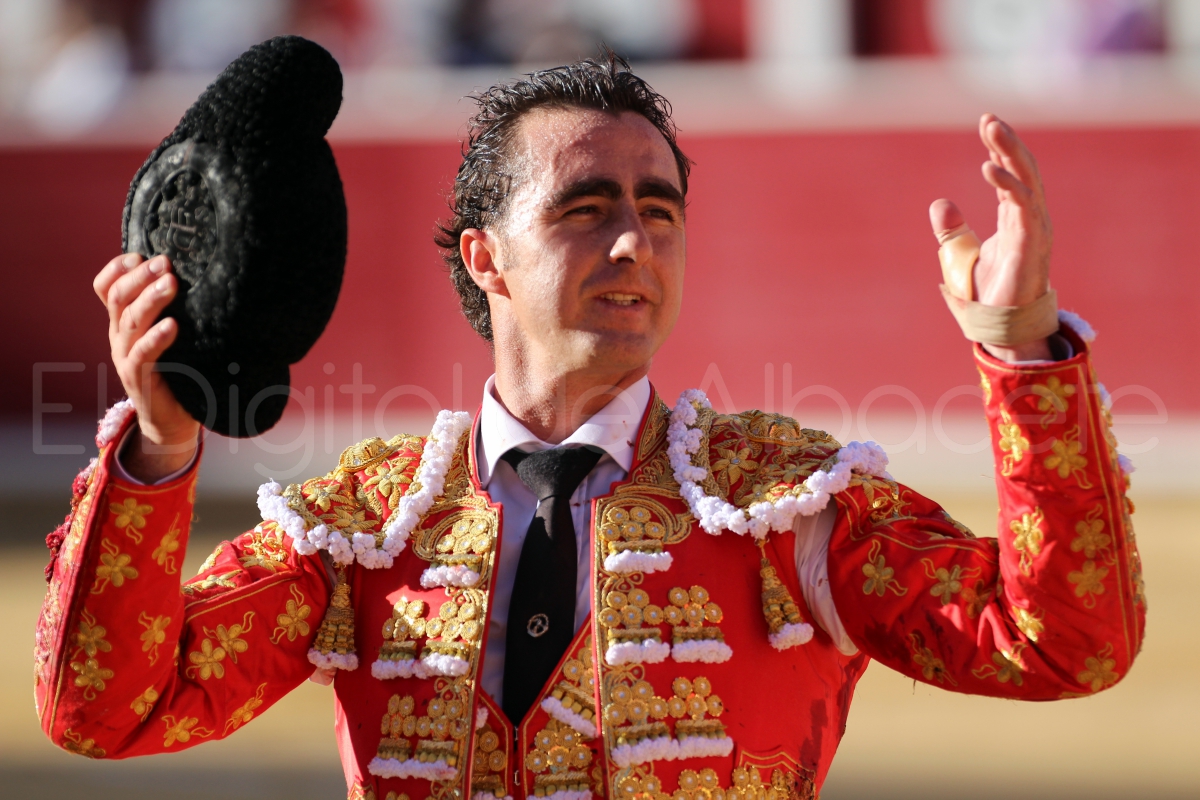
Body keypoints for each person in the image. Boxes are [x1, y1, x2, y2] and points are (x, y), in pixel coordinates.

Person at [35, 54, 1144, 800]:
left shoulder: (787, 506)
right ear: (486, 255)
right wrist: (159, 449)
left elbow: (1060, 639)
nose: (634, 244)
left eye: (658, 210)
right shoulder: (362, 527)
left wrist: (1022, 348)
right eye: (585, 208)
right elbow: (110, 709)